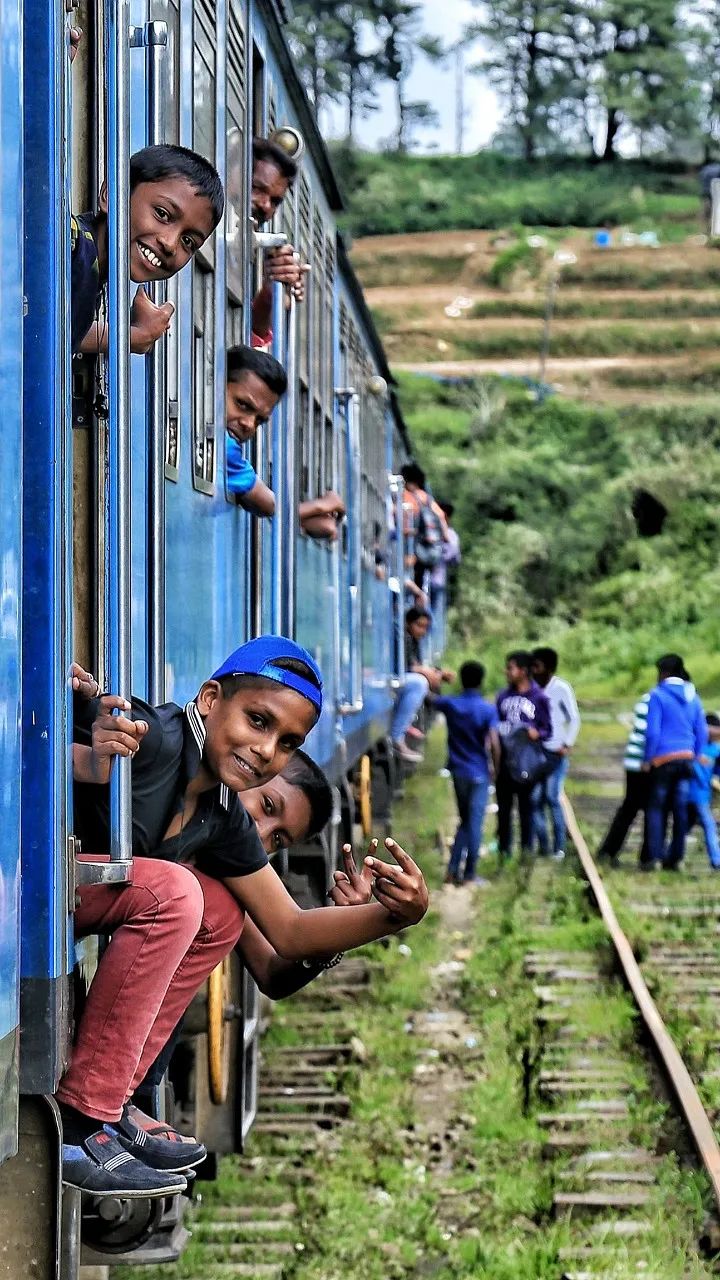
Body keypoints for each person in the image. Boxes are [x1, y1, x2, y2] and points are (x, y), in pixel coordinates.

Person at [60, 638, 428, 1198]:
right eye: (258, 721)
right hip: (33, 888)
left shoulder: (225, 815)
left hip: (82, 900)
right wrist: (85, 737)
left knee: (217, 909)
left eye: (286, 743)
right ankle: (82, 1125)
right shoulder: (155, 738)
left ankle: (119, 1103)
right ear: (209, 700)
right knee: (179, 892)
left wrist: (392, 916)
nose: (264, 750)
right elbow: (50, 737)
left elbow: (287, 934)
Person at [72, 144, 223, 355]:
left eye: (188, 241)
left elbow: (65, 330)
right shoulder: (72, 250)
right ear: (111, 194)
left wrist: (135, 337)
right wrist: (133, 338)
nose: (170, 244)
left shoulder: (92, 268)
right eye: (162, 214)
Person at [435, 662, 500, 885]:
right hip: (479, 772)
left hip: (458, 771)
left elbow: (431, 699)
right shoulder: (487, 709)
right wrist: (496, 768)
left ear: (462, 680)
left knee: (465, 821)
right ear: (481, 681)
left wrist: (437, 678)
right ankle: (470, 873)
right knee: (475, 824)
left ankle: (453, 870)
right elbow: (493, 743)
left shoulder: (451, 704)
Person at [643, 654, 707, 870]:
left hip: (662, 760)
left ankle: (654, 857)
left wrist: (648, 759)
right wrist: (696, 755)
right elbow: (702, 731)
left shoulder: (657, 695)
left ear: (663, 673)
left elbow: (652, 732)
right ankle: (676, 858)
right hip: (686, 759)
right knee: (679, 808)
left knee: (656, 808)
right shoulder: (693, 697)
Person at [250, 136, 309, 347]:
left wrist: (271, 293)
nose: (266, 206)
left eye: (275, 201)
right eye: (256, 188)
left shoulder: (257, 253)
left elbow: (249, 342)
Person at [496, 651, 551, 859]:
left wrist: (537, 733)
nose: (507, 672)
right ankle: (504, 853)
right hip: (505, 764)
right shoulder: (503, 696)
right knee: (504, 812)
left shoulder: (540, 698)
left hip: (527, 764)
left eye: (510, 668)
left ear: (524, 671)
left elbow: (548, 729)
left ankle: (527, 853)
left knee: (526, 810)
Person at [530, 647, 581, 861]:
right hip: (536, 751)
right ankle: (543, 844)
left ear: (548, 668)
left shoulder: (560, 688)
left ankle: (558, 847)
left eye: (538, 666)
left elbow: (574, 718)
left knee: (552, 797)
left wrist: (567, 744)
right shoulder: (532, 689)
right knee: (534, 800)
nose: (534, 670)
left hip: (556, 752)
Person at [225, 345, 287, 516]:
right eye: (242, 404)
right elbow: (269, 505)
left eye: (260, 420)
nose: (250, 425)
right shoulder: (222, 447)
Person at [391, 608, 454, 763]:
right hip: (390, 680)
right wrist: (427, 672)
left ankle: (410, 722)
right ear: (408, 623)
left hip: (400, 680)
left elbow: (416, 664)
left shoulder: (414, 640)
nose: (423, 631)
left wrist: (438, 673)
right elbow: (404, 667)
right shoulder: (402, 638)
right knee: (420, 683)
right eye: (419, 625)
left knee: (428, 679)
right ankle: (396, 737)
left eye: (426, 627)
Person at [597, 689, 651, 865]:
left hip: (639, 761)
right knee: (640, 808)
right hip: (644, 762)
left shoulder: (650, 698)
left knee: (631, 808)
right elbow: (649, 733)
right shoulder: (657, 699)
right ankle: (644, 856)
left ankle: (608, 852)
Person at [400, 463, 448, 592]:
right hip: (426, 547)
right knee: (421, 583)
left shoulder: (406, 496)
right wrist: (444, 537)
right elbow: (441, 515)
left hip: (410, 547)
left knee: (406, 581)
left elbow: (400, 518)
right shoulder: (426, 498)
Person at [687, 713, 720, 870]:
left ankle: (669, 854)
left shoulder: (715, 750)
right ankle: (716, 860)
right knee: (709, 825)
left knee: (685, 827)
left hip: (703, 794)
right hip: (696, 793)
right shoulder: (694, 746)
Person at [428, 501, 461, 617]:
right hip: (428, 578)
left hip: (436, 579)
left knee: (429, 614)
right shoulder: (429, 531)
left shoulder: (451, 536)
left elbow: (454, 557)